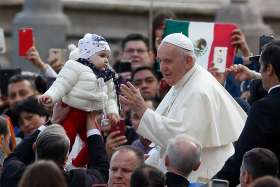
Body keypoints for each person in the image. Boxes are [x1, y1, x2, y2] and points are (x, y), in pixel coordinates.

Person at [120, 33, 247, 180]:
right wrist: (149, 162)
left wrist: (142, 110)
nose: (162, 68)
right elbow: (167, 138)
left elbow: (182, 142)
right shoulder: (181, 80)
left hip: (203, 176)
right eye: (160, 61)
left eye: (168, 61)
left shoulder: (199, 90)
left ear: (188, 61)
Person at [39, 33, 119, 167]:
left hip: (91, 116)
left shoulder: (107, 75)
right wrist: (50, 96)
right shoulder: (75, 66)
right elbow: (61, 84)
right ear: (88, 54)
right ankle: (56, 167)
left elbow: (111, 96)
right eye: (102, 55)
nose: (106, 60)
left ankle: (75, 166)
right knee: (64, 141)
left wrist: (113, 112)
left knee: (94, 144)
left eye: (107, 57)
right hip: (71, 112)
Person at [214, 40, 280, 186]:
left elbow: (241, 158)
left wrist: (214, 183)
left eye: (261, 66)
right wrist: (254, 75)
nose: (261, 71)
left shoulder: (264, 109)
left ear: (269, 68)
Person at [1, 114, 109, 187]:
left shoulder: (14, 174)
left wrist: (52, 121)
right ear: (66, 159)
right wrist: (91, 124)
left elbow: (15, 155)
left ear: (34, 147)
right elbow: (101, 172)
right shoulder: (78, 181)